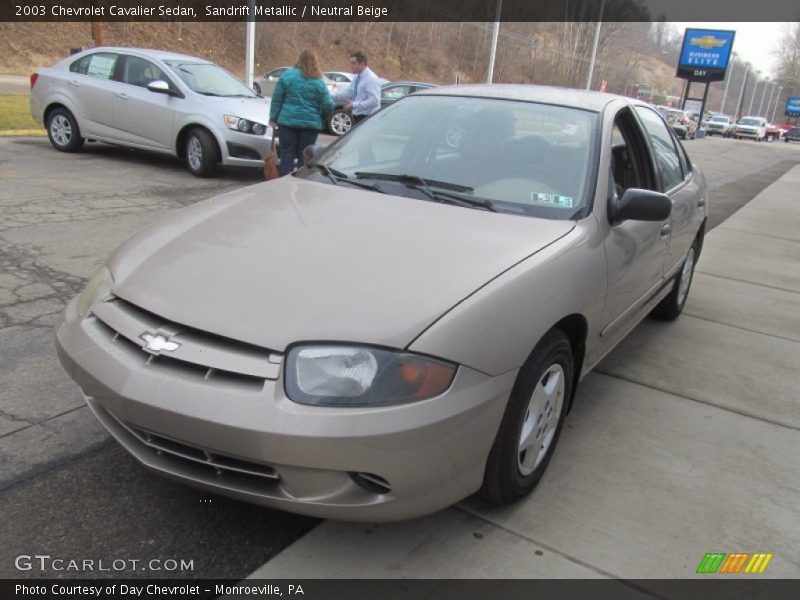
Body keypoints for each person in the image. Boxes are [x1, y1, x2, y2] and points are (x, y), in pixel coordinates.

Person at [269, 49, 334, 176]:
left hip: (287, 123)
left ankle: (285, 182)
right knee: (304, 156)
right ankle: (301, 183)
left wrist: (273, 117)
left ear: (299, 60)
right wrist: (322, 117)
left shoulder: (287, 76)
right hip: (310, 125)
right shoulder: (318, 81)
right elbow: (329, 104)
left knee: (286, 154)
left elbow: (277, 99)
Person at [337, 50, 382, 125]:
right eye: (350, 63)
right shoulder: (357, 77)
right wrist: (331, 95)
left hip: (367, 119)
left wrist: (355, 105)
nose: (351, 66)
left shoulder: (371, 78)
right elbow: (349, 92)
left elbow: (375, 100)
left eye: (353, 63)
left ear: (362, 64)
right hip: (356, 117)